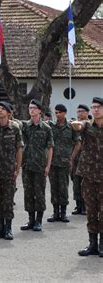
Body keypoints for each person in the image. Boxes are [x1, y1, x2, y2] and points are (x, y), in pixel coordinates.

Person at [72, 97, 103, 257]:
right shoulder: (87, 126)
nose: (96, 110)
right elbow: (77, 125)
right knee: (91, 211)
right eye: (94, 107)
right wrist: (80, 123)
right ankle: (92, 244)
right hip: (89, 175)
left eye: (98, 107)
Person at [0, 102, 23, 240]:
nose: (0, 111)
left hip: (9, 169)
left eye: (3, 109)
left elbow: (19, 148)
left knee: (8, 200)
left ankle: (8, 228)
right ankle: (0, 227)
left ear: (9, 113)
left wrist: (17, 167)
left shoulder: (15, 128)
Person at [20, 99, 54, 232]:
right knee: (28, 193)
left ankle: (39, 221)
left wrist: (48, 166)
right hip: (27, 165)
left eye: (34, 108)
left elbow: (50, 147)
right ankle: (31, 220)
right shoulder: (24, 127)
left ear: (39, 110)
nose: (31, 110)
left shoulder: (46, 128)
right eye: (30, 108)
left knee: (39, 193)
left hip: (40, 165)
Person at [47, 104, 81, 223]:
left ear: (64, 113)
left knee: (63, 187)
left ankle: (63, 213)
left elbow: (78, 143)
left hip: (65, 162)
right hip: (53, 162)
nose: (57, 114)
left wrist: (71, 158)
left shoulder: (71, 127)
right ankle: (55, 212)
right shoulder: (51, 126)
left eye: (59, 112)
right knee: (53, 187)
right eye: (56, 112)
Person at [71, 104, 90, 215]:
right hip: (76, 159)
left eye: (82, 111)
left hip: (87, 160)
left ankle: (85, 206)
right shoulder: (74, 126)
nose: (80, 114)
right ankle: (78, 205)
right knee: (76, 183)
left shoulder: (90, 125)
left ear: (87, 113)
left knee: (85, 184)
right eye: (78, 111)